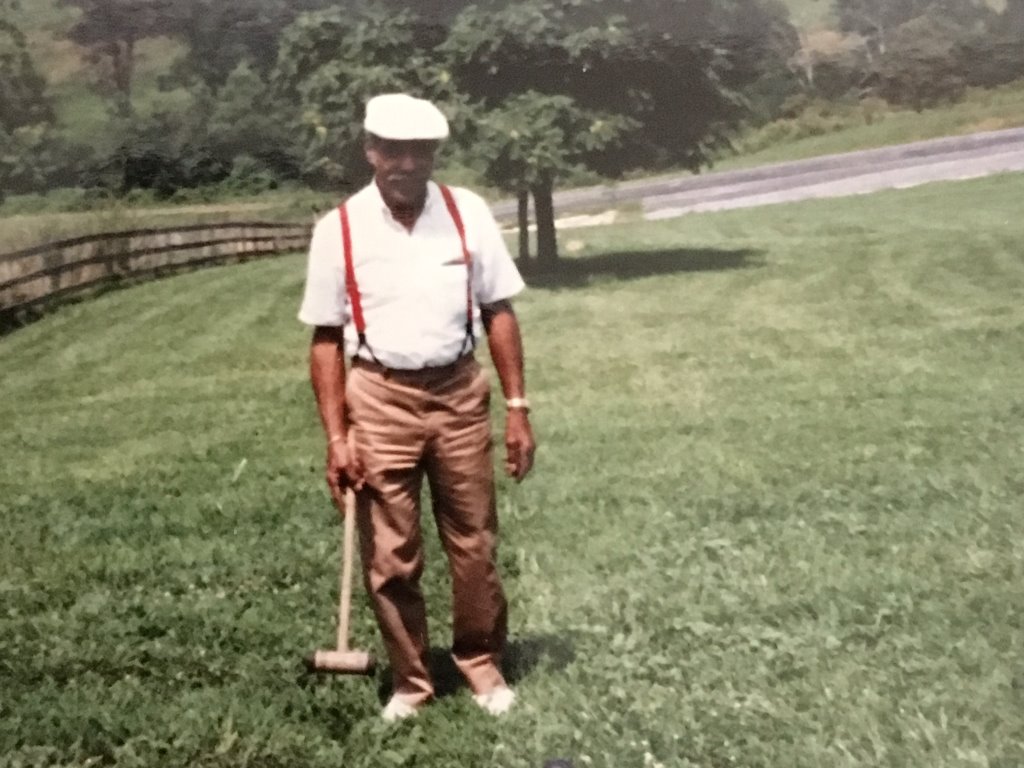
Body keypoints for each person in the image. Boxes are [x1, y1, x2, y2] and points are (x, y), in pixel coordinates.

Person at [298, 93, 536, 721]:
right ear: (371, 151)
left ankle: (482, 665)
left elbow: (499, 311)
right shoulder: (338, 229)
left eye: (419, 151)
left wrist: (517, 406)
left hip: (459, 391)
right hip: (377, 396)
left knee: (475, 541)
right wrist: (337, 437)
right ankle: (411, 681)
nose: (406, 162)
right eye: (392, 150)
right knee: (391, 554)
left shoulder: (468, 213)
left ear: (433, 154)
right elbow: (325, 340)